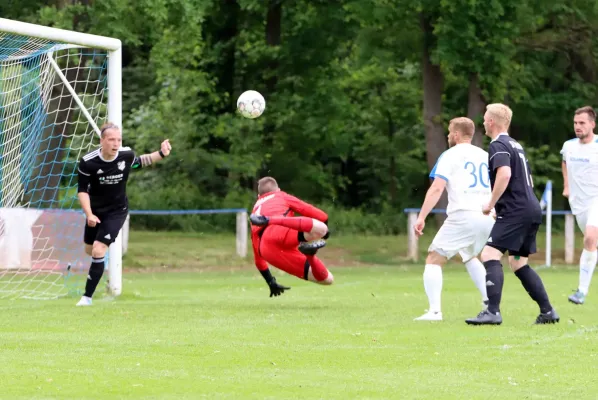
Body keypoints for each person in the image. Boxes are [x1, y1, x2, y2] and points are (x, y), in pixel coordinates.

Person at [465, 103, 559, 325]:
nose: (483, 123)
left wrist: (491, 203)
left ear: (491, 122)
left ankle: (492, 312)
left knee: (489, 255)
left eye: (485, 118)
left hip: (517, 211)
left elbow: (505, 174)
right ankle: (547, 311)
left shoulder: (497, 145)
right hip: (530, 209)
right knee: (518, 263)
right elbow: (528, 180)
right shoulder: (516, 145)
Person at [76, 123, 171, 306]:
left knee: (97, 249)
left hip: (117, 211)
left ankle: (86, 297)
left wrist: (161, 153)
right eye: (111, 139)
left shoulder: (125, 155)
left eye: (118, 139)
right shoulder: (88, 162)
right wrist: (89, 214)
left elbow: (142, 161)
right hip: (94, 212)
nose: (116, 143)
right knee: (90, 250)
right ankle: (101, 260)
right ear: (102, 140)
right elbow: (82, 191)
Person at [413, 117, 494, 321]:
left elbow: (437, 188)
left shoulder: (450, 155)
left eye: (450, 132)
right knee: (470, 255)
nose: (448, 135)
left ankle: (434, 312)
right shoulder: (485, 155)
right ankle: (488, 303)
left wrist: (422, 216)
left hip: (463, 215)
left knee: (434, 257)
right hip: (487, 216)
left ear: (456, 134)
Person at [248, 177, 333, 297]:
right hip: (279, 230)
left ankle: (310, 254)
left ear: (258, 196)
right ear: (278, 189)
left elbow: (258, 259)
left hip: (267, 249)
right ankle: (270, 220)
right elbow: (321, 216)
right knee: (322, 228)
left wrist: (271, 282)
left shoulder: (255, 212)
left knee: (327, 279)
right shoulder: (280, 195)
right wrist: (325, 234)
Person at [561, 106, 598, 305]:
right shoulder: (569, 146)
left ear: (592, 124)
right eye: (575, 123)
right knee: (592, 243)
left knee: (590, 238)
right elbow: (564, 162)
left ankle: (581, 291)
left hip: (597, 201)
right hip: (579, 204)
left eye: (582, 123)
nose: (578, 126)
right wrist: (567, 185)